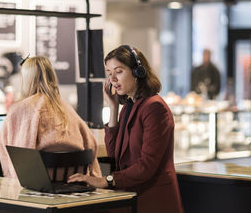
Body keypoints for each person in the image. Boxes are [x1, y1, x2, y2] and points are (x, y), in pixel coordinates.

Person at [68, 45, 184, 213]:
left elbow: (147, 166)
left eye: (119, 71)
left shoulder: (154, 107)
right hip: (132, 197)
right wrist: (113, 108)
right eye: (109, 73)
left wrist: (105, 180)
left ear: (138, 72)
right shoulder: (129, 106)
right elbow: (114, 153)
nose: (113, 79)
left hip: (153, 201)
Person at [0, 56, 101, 178]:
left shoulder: (22, 108)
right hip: (75, 185)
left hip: (36, 188)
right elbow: (92, 143)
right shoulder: (65, 106)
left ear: (26, 79)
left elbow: (9, 150)